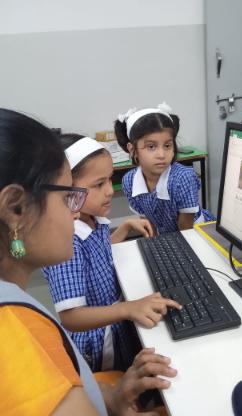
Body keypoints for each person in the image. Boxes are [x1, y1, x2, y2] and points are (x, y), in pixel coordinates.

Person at [0, 108, 177, 415]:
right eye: (68, 196)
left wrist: (112, 399)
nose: (75, 211)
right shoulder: (12, 334)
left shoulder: (16, 299)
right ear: (16, 208)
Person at [43, 133, 181, 373]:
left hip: (115, 321)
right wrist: (128, 308)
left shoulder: (92, 219)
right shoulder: (68, 239)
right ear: (67, 188)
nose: (109, 191)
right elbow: (71, 316)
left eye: (110, 180)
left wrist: (125, 228)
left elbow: (99, 251)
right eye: (98, 184)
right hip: (100, 344)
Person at [114, 102, 215, 235]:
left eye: (167, 146)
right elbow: (147, 225)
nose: (161, 155)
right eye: (151, 147)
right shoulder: (129, 181)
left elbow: (186, 231)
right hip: (167, 237)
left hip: (196, 234)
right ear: (132, 149)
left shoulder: (182, 178)